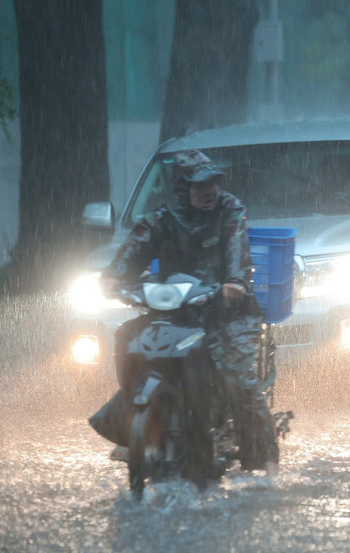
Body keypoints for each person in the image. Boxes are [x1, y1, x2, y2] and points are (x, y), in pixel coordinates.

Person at [98, 150, 280, 477]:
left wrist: (234, 282)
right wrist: (113, 276)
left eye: (211, 183)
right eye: (199, 185)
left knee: (238, 379)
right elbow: (134, 249)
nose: (207, 190)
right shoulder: (162, 219)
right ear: (183, 189)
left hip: (228, 312)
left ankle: (266, 461)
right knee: (128, 338)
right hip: (177, 311)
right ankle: (136, 420)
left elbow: (236, 249)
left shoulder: (230, 210)